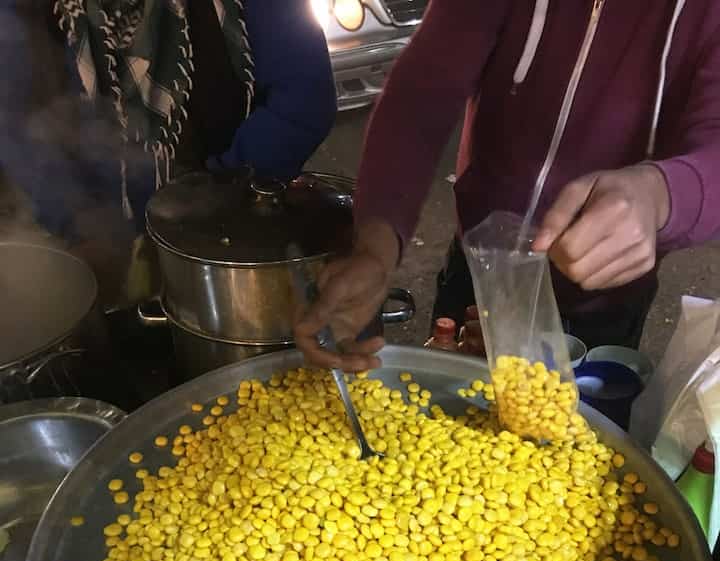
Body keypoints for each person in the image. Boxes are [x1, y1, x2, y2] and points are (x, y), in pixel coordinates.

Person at [296, 0, 720, 372]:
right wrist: (376, 245)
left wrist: (663, 193)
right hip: (477, 273)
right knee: (446, 438)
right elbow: (424, 89)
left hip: (602, 303)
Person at [0, 0, 337, 303]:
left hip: (235, 247)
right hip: (98, 253)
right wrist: (77, 220)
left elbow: (304, 100)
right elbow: (16, 123)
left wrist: (217, 198)